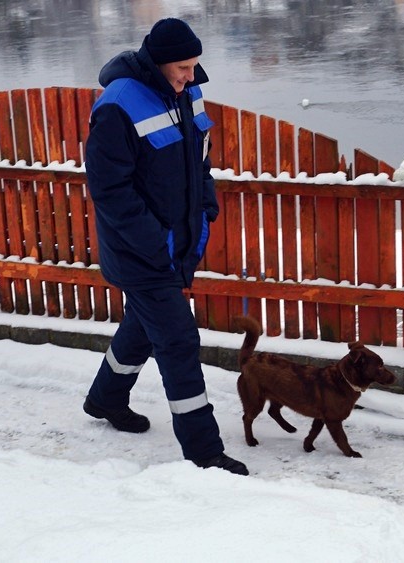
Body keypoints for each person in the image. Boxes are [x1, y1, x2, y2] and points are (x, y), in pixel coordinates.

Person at [82, 18, 248, 476]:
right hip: (141, 252)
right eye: (181, 67)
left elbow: (200, 159)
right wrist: (154, 243)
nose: (190, 75)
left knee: (142, 326)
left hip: (176, 245)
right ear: (157, 62)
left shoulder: (188, 92)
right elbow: (109, 190)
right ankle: (204, 453)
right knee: (177, 340)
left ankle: (104, 399)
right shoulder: (118, 105)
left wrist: (207, 204)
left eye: (194, 65)